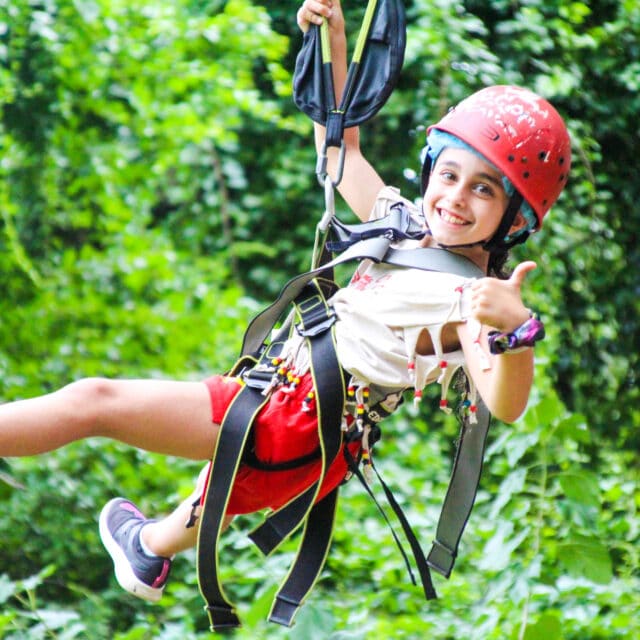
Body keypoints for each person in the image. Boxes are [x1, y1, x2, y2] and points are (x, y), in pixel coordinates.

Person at [0, 0, 571, 608]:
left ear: (513, 219)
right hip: (285, 404)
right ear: (430, 168)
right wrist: (334, 37)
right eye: (448, 175)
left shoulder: (465, 305)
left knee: (94, 402)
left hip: (294, 423)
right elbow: (340, 150)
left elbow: (505, 404)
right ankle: (150, 549)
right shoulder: (402, 227)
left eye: (483, 190)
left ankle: (152, 545)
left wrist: (516, 331)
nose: (455, 198)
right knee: (178, 496)